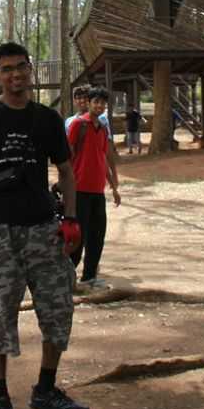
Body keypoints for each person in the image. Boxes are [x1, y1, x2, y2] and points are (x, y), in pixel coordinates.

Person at [0, 42, 89, 409]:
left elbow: (66, 170)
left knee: (58, 309)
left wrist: (70, 218)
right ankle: (0, 400)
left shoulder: (48, 119)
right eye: (7, 69)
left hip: (44, 231)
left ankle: (45, 389)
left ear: (30, 70)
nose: (15, 75)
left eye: (21, 67)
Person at [67, 86, 121, 287]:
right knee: (77, 236)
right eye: (96, 102)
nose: (99, 106)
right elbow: (68, 156)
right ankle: (67, 276)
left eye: (102, 103)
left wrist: (113, 186)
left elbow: (102, 158)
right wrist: (66, 185)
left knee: (97, 235)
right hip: (79, 189)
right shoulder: (78, 125)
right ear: (88, 103)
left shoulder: (103, 129)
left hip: (98, 191)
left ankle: (89, 277)